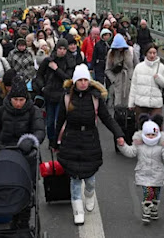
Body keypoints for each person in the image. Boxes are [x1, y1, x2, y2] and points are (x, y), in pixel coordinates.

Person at [51, 64, 124, 225]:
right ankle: (78, 209)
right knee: (75, 178)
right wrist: (54, 141)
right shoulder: (66, 98)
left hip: (90, 139)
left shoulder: (95, 98)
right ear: (75, 81)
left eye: (86, 80)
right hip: (71, 139)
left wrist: (118, 134)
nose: (83, 83)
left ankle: (89, 193)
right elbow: (60, 121)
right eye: (80, 80)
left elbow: (107, 118)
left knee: (90, 177)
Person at [119, 115, 164, 223]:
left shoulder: (161, 146)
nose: (151, 137)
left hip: (157, 174)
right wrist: (122, 146)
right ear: (143, 134)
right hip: (144, 174)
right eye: (148, 134)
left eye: (153, 134)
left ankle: (154, 210)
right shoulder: (139, 145)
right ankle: (146, 211)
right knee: (148, 193)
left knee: (156, 193)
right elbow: (130, 152)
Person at [33, 38, 76, 145]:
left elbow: (68, 78)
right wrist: (43, 87)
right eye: (60, 48)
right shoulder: (48, 60)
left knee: (59, 121)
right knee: (50, 121)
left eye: (64, 49)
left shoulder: (69, 61)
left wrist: (56, 69)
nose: (62, 51)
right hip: (49, 94)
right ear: (56, 49)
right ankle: (51, 140)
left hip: (61, 94)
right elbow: (39, 75)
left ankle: (58, 140)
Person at [128, 43, 164, 124]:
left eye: (154, 53)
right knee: (141, 128)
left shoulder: (161, 67)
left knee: (156, 127)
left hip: (156, 104)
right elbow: (134, 86)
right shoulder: (139, 67)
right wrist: (131, 103)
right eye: (150, 53)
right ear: (146, 54)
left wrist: (159, 78)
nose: (152, 55)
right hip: (141, 103)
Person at [105, 34, 134, 108]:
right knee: (118, 104)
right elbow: (107, 69)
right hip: (118, 80)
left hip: (128, 80)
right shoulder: (111, 53)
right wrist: (114, 80)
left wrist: (132, 78)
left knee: (129, 104)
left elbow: (136, 65)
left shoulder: (129, 51)